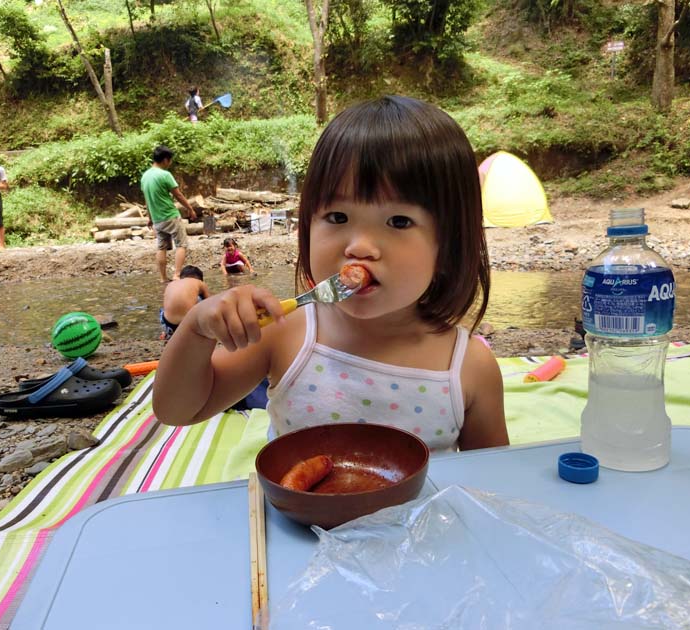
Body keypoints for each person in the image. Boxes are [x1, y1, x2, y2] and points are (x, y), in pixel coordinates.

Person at [152, 96, 509, 452]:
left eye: (399, 221)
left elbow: (488, 476)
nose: (359, 247)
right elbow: (178, 409)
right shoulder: (285, 331)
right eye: (338, 218)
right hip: (296, 507)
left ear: (448, 245)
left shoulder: (468, 367)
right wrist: (197, 328)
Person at [140, 145, 198, 283]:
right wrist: (190, 208)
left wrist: (150, 218)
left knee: (161, 247)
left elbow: (147, 200)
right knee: (181, 244)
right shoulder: (165, 175)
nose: (170, 163)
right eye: (170, 160)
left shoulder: (145, 176)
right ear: (165, 160)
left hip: (157, 219)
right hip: (170, 216)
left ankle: (162, 278)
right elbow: (177, 194)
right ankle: (177, 275)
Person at [160, 265, 210, 341]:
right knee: (202, 300)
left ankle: (166, 333)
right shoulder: (200, 283)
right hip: (187, 325)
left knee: (163, 309)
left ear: (181, 278)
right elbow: (209, 303)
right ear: (201, 280)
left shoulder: (172, 284)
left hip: (168, 323)